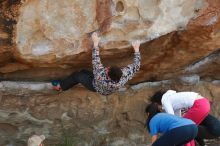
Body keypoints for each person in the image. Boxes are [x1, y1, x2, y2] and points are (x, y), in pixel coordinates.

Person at [52, 32, 141, 95]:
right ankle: (78, 77)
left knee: (77, 75)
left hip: (95, 86)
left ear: (107, 74)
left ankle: (61, 87)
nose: (106, 68)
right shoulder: (124, 76)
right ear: (121, 72)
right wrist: (136, 49)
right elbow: (136, 66)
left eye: (107, 70)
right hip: (106, 90)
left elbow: (96, 60)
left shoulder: (100, 75)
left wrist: (95, 43)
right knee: (84, 72)